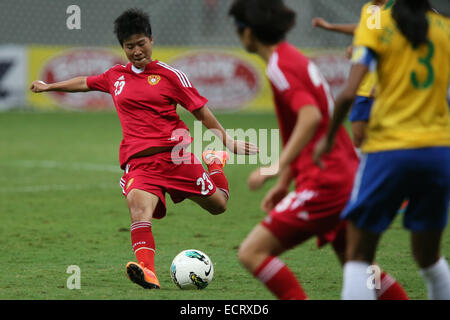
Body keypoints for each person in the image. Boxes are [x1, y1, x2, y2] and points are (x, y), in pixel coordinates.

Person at [30, 8, 257, 290]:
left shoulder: (171, 76)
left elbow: (200, 111)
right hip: (140, 165)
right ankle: (148, 271)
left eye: (141, 44)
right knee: (139, 211)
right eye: (129, 46)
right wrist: (49, 86)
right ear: (122, 47)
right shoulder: (116, 76)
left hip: (177, 158)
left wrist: (228, 140)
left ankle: (214, 164)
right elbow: (85, 83)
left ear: (151, 39)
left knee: (219, 206)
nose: (136, 51)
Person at [229, 0, 407, 300]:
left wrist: (274, 168)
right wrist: (285, 181)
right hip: (344, 175)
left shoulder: (279, 66)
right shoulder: (291, 57)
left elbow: (310, 117)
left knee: (251, 252)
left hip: (326, 182)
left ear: (248, 34)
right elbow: (301, 127)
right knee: (361, 267)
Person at [314, 0, 450, 299]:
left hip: (390, 149)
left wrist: (328, 137)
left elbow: (348, 92)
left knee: (358, 254)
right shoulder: (444, 29)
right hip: (439, 152)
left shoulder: (379, 24)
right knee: (429, 257)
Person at [312, 0, 392, 149]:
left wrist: (383, 82)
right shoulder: (371, 8)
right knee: (359, 140)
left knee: (386, 140)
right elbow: (367, 33)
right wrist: (331, 27)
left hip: (386, 88)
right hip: (364, 87)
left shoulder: (400, 10)